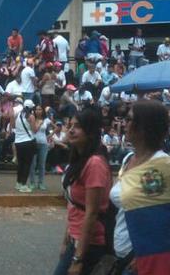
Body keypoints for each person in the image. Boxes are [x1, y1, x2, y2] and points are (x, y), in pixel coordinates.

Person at [110, 100, 170, 275]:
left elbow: (165, 218)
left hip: (141, 259)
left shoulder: (160, 165)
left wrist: (145, 254)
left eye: (129, 119)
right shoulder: (128, 159)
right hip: (120, 251)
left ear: (144, 127)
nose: (124, 124)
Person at [53, 107, 112, 275]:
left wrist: (78, 259)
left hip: (90, 244)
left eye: (77, 126)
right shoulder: (79, 160)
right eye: (70, 125)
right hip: (76, 238)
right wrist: (66, 240)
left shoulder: (94, 164)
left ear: (91, 132)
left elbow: (91, 212)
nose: (71, 130)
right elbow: (75, 205)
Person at [10, 99, 38, 193]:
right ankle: (23, 185)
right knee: (27, 164)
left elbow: (13, 126)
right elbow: (34, 130)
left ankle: (18, 183)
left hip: (18, 142)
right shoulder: (31, 116)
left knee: (21, 164)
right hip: (28, 142)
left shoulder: (18, 115)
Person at [29, 105, 52, 191]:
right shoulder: (32, 118)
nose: (38, 111)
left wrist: (50, 137)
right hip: (33, 142)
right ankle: (32, 182)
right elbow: (32, 130)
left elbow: (55, 128)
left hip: (43, 143)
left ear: (43, 111)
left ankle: (41, 182)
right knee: (32, 164)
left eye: (40, 109)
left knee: (42, 164)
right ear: (34, 111)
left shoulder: (46, 120)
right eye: (37, 109)